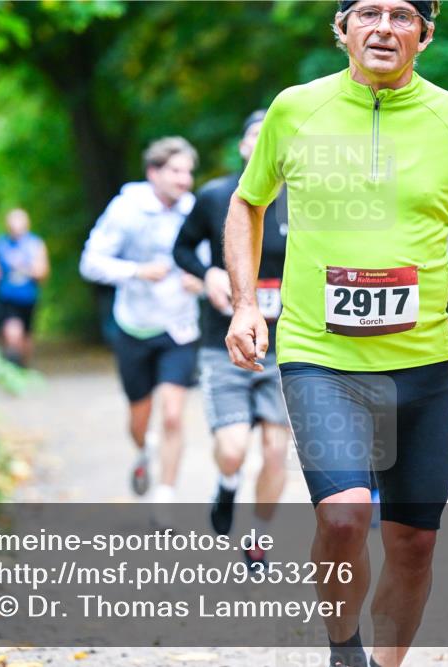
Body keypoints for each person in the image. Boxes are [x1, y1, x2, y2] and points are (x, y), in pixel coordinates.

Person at [223, 2, 448, 666]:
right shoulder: (296, 110)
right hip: (321, 359)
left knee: (414, 542)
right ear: (342, 28)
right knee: (345, 516)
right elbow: (248, 201)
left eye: (403, 15)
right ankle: (342, 646)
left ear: (425, 35)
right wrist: (243, 304)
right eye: (368, 13)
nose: (384, 27)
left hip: (422, 366)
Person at [173, 110, 290, 568]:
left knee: (277, 450)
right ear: (243, 147)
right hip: (225, 343)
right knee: (233, 448)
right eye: (254, 137)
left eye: (271, 138)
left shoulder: (306, 200)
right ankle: (226, 487)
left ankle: (259, 539)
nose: (262, 144)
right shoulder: (217, 195)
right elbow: (181, 248)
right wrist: (209, 275)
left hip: (286, 345)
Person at [79, 137, 204, 528]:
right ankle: (143, 451)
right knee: (140, 417)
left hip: (179, 327)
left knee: (172, 415)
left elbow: (210, 259)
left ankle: (164, 498)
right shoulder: (126, 209)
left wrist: (200, 280)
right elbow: (90, 263)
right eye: (175, 171)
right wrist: (135, 271)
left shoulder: (194, 210)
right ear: (153, 173)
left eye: (188, 172)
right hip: (134, 325)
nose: (184, 180)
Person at [0, 209, 49, 367]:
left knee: (27, 334)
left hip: (28, 296)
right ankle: (14, 362)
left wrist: (27, 269)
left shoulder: (35, 244)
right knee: (12, 330)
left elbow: (43, 272)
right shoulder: (1, 244)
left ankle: (23, 366)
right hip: (7, 296)